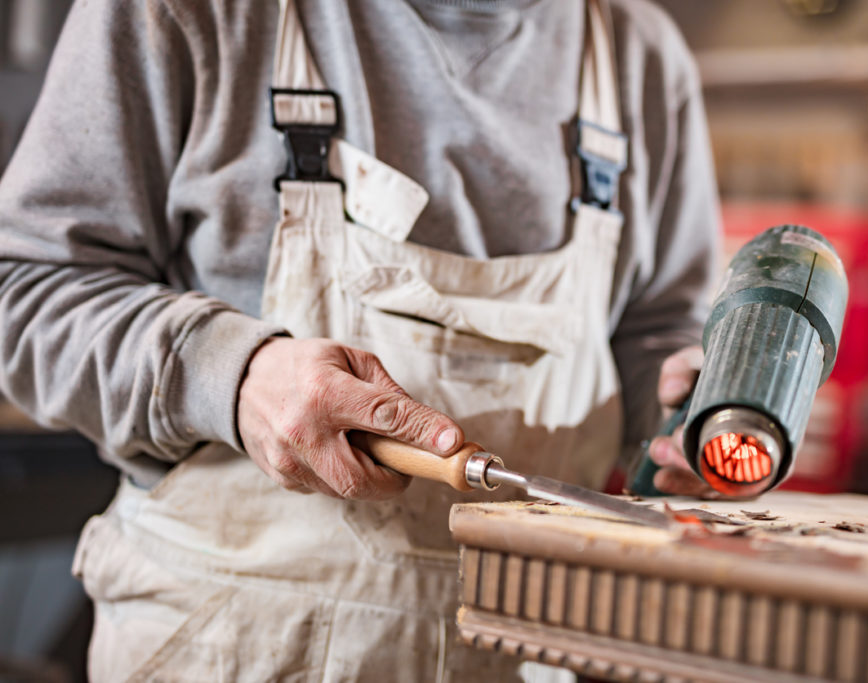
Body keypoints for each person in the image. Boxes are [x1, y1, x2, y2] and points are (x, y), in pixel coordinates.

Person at [0, 0, 719, 679]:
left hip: (529, 658)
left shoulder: (642, 57)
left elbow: (656, 332)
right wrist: (236, 376)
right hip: (232, 649)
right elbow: (23, 291)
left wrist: (684, 423)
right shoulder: (192, 13)